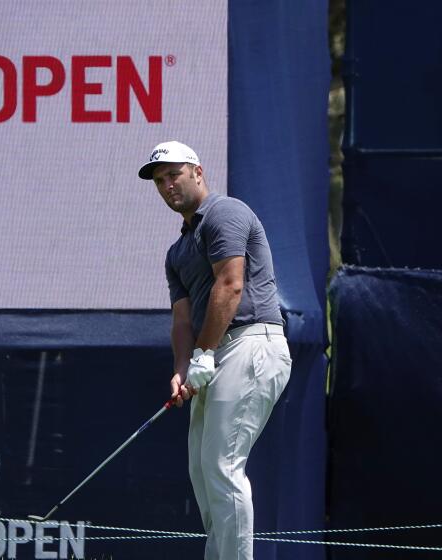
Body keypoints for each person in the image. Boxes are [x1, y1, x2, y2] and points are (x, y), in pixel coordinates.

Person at [138, 141, 292, 560]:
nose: (167, 185)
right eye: (159, 180)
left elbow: (231, 284)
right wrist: (182, 367)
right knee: (203, 472)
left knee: (223, 466)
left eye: (174, 175)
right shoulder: (177, 252)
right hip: (214, 354)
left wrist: (203, 356)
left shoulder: (225, 213)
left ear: (198, 172)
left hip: (252, 344)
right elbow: (182, 321)